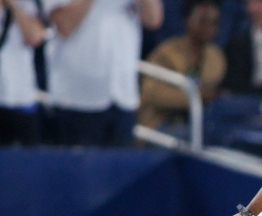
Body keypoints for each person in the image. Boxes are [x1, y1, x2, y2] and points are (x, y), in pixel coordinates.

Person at [45, 0, 164, 146]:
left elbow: (153, 19)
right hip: (76, 99)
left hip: (122, 95)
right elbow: (64, 25)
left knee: (120, 167)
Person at [138, 0, 226, 130]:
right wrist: (197, 96)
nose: (208, 27)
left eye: (214, 23)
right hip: (161, 122)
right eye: (202, 21)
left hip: (200, 123)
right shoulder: (167, 53)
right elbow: (151, 93)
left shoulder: (217, 58)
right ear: (187, 20)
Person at [0, 0, 45, 145]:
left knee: (27, 162)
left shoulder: (27, 3)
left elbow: (35, 37)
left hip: (21, 99)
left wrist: (12, 5)